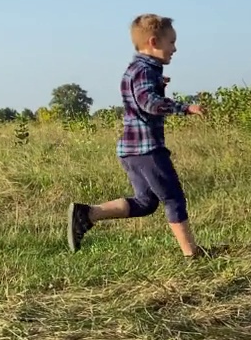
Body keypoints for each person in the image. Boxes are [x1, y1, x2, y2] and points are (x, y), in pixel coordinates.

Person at [67, 14, 208, 257]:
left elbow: (139, 99)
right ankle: (192, 254)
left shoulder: (139, 69)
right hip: (147, 149)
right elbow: (148, 104)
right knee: (173, 198)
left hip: (130, 150)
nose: (175, 48)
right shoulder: (144, 71)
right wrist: (184, 108)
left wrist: (159, 85)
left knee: (146, 203)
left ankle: (88, 213)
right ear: (154, 42)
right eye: (171, 42)